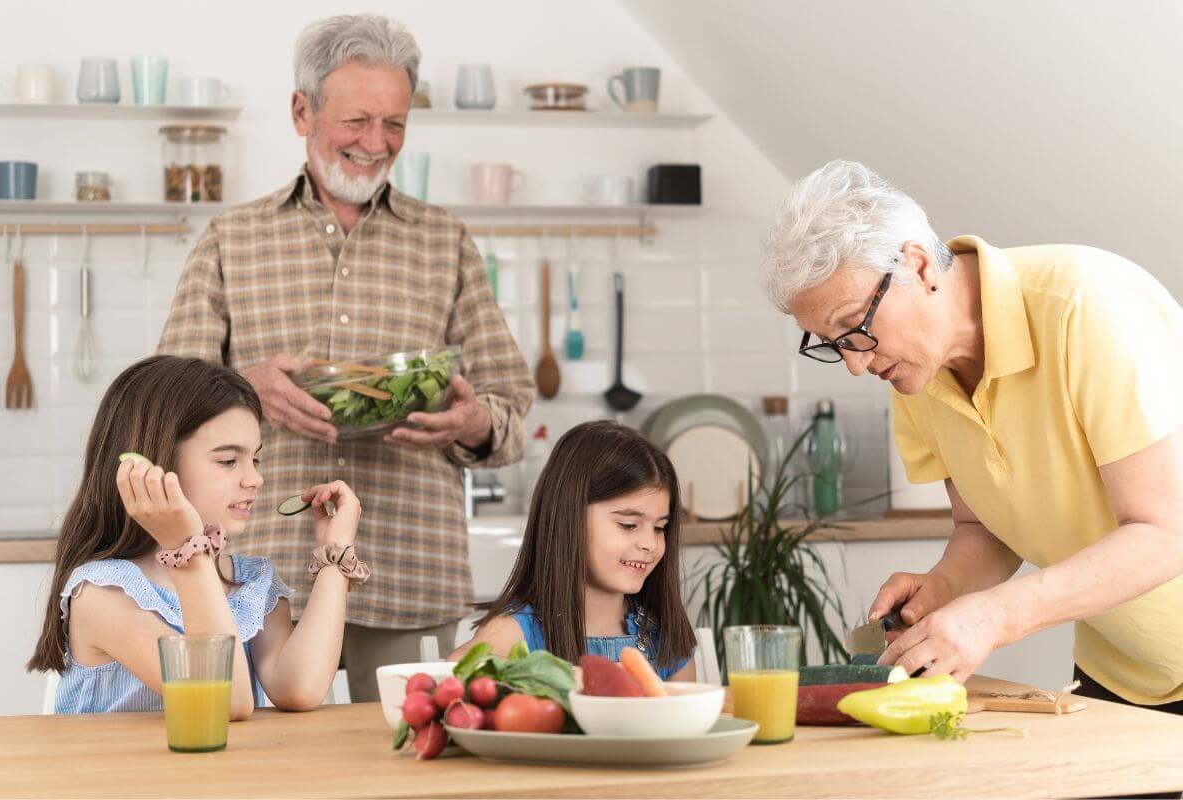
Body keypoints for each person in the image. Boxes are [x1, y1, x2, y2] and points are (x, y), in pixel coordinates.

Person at [158, 13, 534, 701]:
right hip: (251, 577)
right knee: (257, 767)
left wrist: (471, 423)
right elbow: (161, 403)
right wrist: (246, 388)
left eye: (394, 123)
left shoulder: (444, 240)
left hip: (408, 571)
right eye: (357, 120)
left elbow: (511, 407)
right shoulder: (230, 239)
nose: (376, 143)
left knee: (403, 760)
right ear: (302, 111)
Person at [764, 159, 1183, 715]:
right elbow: (984, 524)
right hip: (1124, 673)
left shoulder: (1086, 307)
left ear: (915, 264)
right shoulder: (915, 370)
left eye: (854, 328)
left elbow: (1166, 531)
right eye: (829, 342)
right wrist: (944, 585)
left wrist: (994, 616)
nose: (855, 365)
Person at [27, 356, 365, 716]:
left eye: (256, 460)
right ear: (154, 466)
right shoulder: (102, 593)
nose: (254, 479)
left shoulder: (251, 582)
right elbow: (222, 700)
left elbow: (300, 688)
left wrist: (335, 552)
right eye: (227, 461)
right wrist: (186, 547)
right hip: (118, 773)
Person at [452, 421, 697, 680]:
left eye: (659, 528)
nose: (650, 543)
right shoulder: (515, 633)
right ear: (569, 518)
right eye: (629, 525)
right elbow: (452, 678)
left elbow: (691, 715)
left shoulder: (663, 637)